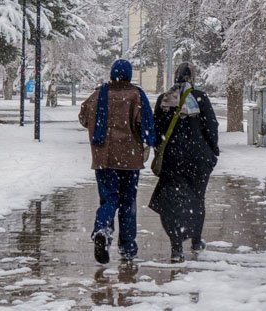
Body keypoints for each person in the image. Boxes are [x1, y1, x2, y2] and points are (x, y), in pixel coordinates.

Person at [79, 59, 155, 265]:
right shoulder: (136, 96)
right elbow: (145, 126)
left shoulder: (98, 95)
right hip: (129, 160)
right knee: (128, 203)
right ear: (129, 75)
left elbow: (83, 118)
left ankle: (102, 229)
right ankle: (128, 247)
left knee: (109, 200)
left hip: (103, 158)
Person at [148, 62, 219, 263]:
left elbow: (157, 129)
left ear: (175, 77)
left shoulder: (165, 99)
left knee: (173, 203)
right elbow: (211, 126)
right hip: (199, 159)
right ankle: (196, 240)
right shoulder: (200, 97)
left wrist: (161, 151)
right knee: (197, 199)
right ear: (192, 78)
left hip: (173, 159)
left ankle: (176, 247)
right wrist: (213, 151)